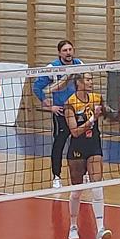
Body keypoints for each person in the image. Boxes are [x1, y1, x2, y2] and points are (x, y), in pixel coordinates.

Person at [62, 72, 113, 239]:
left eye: (91, 79)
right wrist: (92, 119)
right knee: (77, 191)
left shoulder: (97, 99)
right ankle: (73, 226)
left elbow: (113, 117)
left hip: (94, 147)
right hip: (77, 149)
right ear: (78, 82)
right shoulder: (70, 104)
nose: (91, 82)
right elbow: (75, 132)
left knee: (97, 187)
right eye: (88, 79)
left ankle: (100, 229)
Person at [32, 40, 84, 189]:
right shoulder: (52, 68)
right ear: (59, 53)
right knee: (59, 145)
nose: (68, 53)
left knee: (81, 144)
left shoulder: (79, 65)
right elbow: (37, 87)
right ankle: (56, 176)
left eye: (70, 49)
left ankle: (84, 173)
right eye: (65, 50)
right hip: (61, 113)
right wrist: (49, 105)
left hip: (78, 111)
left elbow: (85, 85)